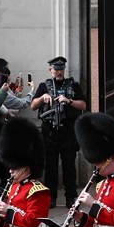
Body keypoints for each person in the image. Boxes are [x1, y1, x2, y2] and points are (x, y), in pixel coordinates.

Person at [31, 57, 86, 209]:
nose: (59, 72)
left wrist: (68, 101)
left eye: (61, 69)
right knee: (51, 167)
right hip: (50, 132)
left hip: (68, 131)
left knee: (69, 166)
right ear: (50, 70)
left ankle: (71, 197)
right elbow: (33, 106)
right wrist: (43, 98)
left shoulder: (73, 85)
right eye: (56, 69)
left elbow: (83, 104)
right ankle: (51, 197)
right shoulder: (44, 86)